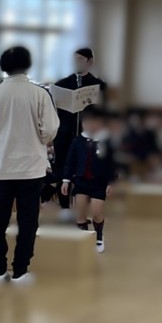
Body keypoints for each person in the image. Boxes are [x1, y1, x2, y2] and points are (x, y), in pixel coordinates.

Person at [0, 46, 60, 284]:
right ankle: (21, 270)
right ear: (27, 65)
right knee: (27, 220)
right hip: (31, 168)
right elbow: (50, 130)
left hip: (1, 167)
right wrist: (37, 136)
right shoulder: (40, 94)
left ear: (3, 67)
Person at [50, 47, 106, 214]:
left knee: (87, 168)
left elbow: (104, 112)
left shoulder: (99, 85)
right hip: (64, 133)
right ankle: (65, 208)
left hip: (88, 134)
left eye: (81, 60)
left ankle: (84, 208)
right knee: (62, 169)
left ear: (90, 61)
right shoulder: (62, 84)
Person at [62, 109, 116, 254]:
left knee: (96, 212)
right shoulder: (78, 140)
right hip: (81, 181)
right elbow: (70, 161)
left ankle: (99, 235)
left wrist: (111, 182)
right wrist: (66, 180)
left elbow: (111, 163)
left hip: (99, 183)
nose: (90, 125)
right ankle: (83, 239)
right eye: (86, 122)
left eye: (94, 122)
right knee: (80, 213)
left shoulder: (105, 141)